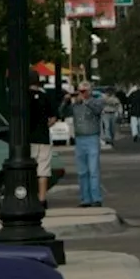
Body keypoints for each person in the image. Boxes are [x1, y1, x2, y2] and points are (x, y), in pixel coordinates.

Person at [60, 81, 105, 207]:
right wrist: (66, 101)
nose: (81, 94)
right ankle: (85, 198)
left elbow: (97, 110)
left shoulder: (96, 100)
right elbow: (62, 113)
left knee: (93, 170)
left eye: (84, 91)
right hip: (79, 139)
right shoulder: (75, 105)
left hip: (92, 137)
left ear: (90, 91)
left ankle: (96, 198)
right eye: (80, 91)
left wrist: (85, 101)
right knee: (82, 171)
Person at [28, 73, 57, 209]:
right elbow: (53, 118)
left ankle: (30, 196)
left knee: (28, 169)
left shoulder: (24, 97)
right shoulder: (46, 97)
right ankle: (42, 199)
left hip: (29, 139)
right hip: (43, 138)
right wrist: (44, 127)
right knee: (43, 170)